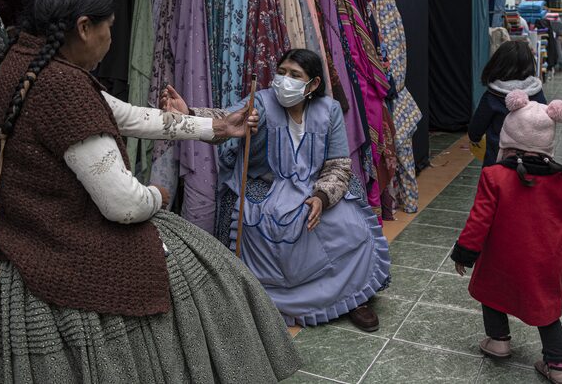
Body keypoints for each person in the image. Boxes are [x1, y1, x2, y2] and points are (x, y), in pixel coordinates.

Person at [0, 0, 301, 382]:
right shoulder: (62, 86)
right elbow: (124, 205)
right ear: (84, 28)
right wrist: (157, 193)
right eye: (109, 29)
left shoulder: (25, 62)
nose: (111, 41)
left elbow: (123, 114)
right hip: (56, 244)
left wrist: (216, 127)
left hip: (21, 234)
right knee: (213, 278)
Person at [160, 49, 391, 333]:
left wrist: (320, 198)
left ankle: (352, 297)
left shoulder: (329, 111)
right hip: (268, 186)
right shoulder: (262, 101)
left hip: (317, 185)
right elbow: (225, 118)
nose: (284, 80)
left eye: (295, 75)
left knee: (346, 223)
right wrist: (190, 114)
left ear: (313, 84)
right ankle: (266, 301)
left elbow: (339, 165)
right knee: (268, 222)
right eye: (281, 72)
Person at [452, 90, 562, 384]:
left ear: (509, 138)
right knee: (546, 308)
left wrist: (465, 252)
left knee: (490, 290)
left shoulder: (494, 176)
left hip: (501, 257)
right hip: (544, 260)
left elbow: (479, 219)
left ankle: (498, 340)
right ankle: (558, 366)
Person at [468, 41, 546, 167]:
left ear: (497, 64)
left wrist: (475, 139)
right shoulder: (537, 92)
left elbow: (475, 130)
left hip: (497, 163)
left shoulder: (492, 95)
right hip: (531, 164)